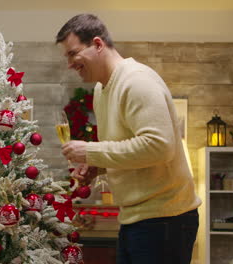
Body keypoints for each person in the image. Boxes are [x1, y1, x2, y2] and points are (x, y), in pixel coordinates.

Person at [56, 14, 201, 264]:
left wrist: (91, 151)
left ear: (98, 44)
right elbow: (132, 147)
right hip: (136, 219)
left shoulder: (136, 81)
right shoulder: (102, 90)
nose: (69, 64)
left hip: (165, 220)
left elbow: (158, 147)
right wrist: (98, 166)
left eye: (73, 54)